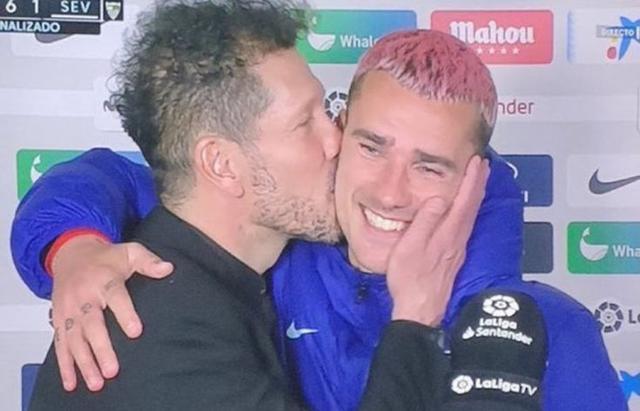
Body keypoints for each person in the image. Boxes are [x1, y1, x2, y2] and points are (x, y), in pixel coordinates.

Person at [13, 22, 625, 411]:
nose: (390, 193)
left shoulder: (552, 332)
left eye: (430, 167)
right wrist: (73, 244)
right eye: (369, 146)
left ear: (475, 178)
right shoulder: (260, 253)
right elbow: (116, 176)